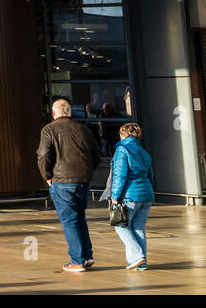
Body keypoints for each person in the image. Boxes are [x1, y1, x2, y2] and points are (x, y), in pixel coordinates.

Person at [37, 97, 100, 273]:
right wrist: (88, 172)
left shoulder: (49, 129)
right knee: (80, 217)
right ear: (69, 112)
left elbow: (43, 155)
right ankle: (87, 256)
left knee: (69, 220)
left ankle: (77, 261)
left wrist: (47, 176)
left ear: (54, 113)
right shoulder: (83, 129)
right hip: (83, 180)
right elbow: (96, 154)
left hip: (62, 180)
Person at [110, 123, 155, 271]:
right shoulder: (143, 152)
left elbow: (120, 175)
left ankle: (137, 257)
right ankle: (142, 263)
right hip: (146, 195)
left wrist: (115, 196)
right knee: (138, 228)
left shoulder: (122, 149)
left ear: (123, 134)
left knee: (120, 225)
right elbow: (150, 175)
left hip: (129, 195)